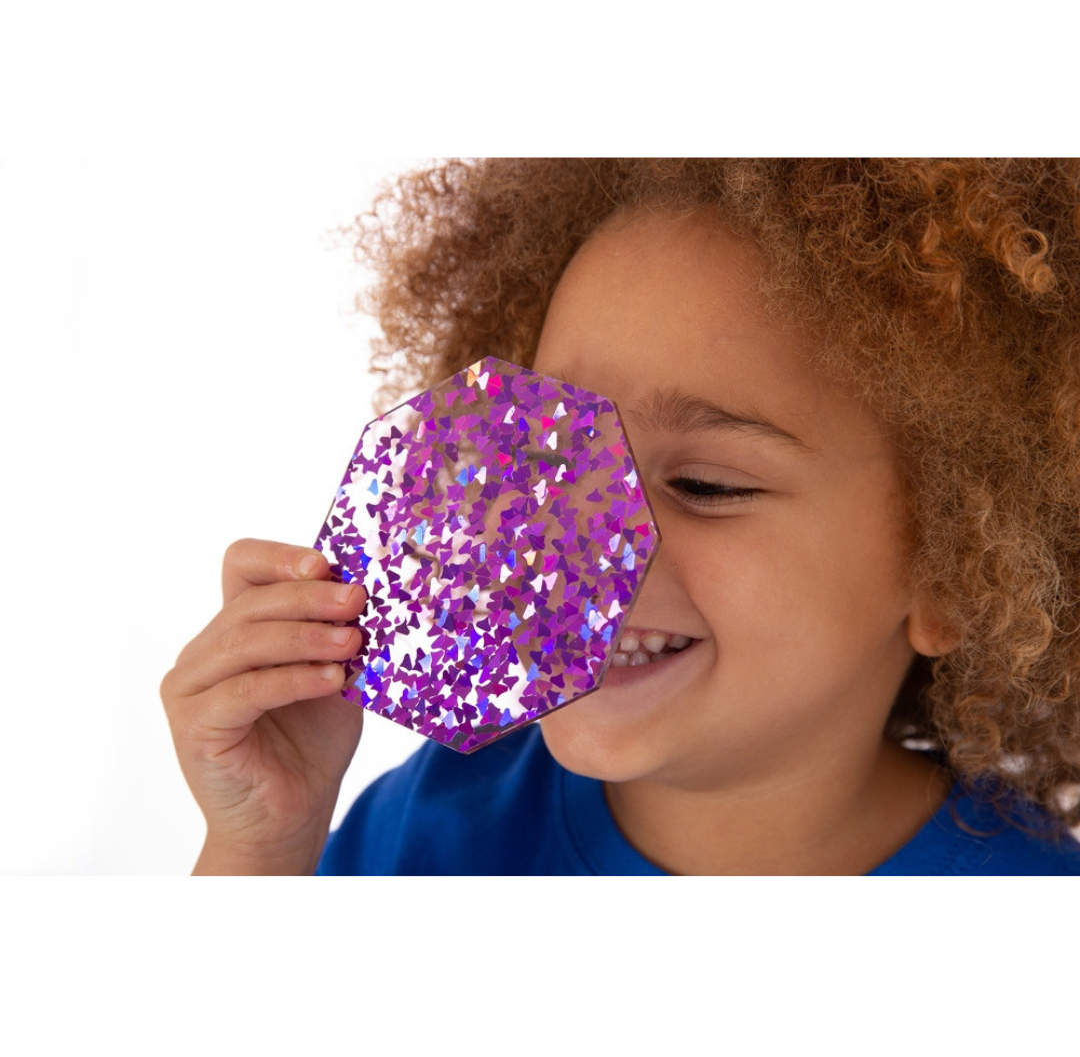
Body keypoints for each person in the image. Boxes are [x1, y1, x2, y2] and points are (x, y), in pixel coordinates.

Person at [160, 158, 1080, 875]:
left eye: (706, 485)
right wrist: (262, 846)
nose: (578, 544)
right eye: (548, 454)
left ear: (960, 570)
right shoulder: (431, 826)